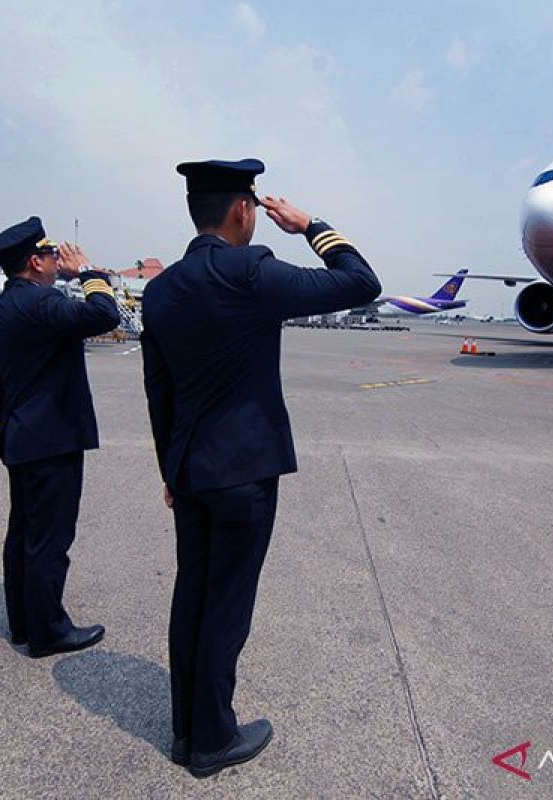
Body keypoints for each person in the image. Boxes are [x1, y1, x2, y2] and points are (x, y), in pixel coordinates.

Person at [141, 159, 381, 777]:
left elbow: (158, 390)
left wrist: (171, 467)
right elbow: (360, 283)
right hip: (244, 472)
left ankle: (185, 729)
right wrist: (311, 226)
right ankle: (213, 739)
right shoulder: (251, 270)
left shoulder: (161, 290)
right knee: (227, 604)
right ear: (245, 210)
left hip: (191, 470)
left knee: (191, 596)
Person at [0, 217, 121, 657]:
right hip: (51, 439)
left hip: (21, 433)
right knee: (49, 540)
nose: (59, 261)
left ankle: (22, 622)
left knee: (22, 533)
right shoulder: (39, 304)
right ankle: (48, 631)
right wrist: (90, 274)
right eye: (52, 255)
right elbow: (104, 314)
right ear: (35, 262)